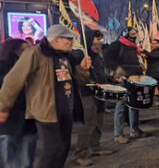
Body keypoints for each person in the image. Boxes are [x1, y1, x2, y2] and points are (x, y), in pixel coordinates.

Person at [0, 25, 91, 168]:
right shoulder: (34, 54)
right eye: (68, 41)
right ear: (55, 40)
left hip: (66, 110)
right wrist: (3, 107)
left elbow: (75, 80)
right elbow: (12, 81)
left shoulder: (64, 56)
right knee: (52, 150)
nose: (71, 44)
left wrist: (83, 70)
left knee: (63, 149)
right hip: (46, 111)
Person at [73, 30, 113, 166]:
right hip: (87, 93)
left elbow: (101, 72)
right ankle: (80, 153)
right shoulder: (80, 54)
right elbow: (75, 73)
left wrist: (111, 80)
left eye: (101, 39)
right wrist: (82, 68)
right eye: (97, 39)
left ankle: (95, 147)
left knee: (99, 121)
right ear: (90, 39)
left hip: (101, 92)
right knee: (89, 123)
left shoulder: (98, 55)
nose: (100, 42)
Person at [104, 27, 145, 143]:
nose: (133, 36)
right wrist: (115, 73)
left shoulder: (133, 47)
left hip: (133, 78)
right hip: (122, 79)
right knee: (120, 107)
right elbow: (107, 58)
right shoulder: (117, 45)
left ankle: (134, 129)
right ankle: (118, 134)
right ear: (125, 34)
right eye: (131, 34)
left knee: (134, 105)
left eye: (134, 34)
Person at [0, 39, 36, 168]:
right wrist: (3, 108)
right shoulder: (4, 67)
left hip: (28, 119)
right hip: (8, 121)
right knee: (9, 160)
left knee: (26, 159)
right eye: (23, 49)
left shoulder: (32, 66)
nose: (27, 52)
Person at [144, 39, 159, 106]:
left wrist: (145, 51)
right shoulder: (153, 50)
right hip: (151, 71)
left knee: (157, 87)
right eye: (152, 43)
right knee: (152, 87)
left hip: (156, 72)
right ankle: (152, 100)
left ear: (158, 44)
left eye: (154, 43)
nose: (153, 45)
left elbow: (154, 56)